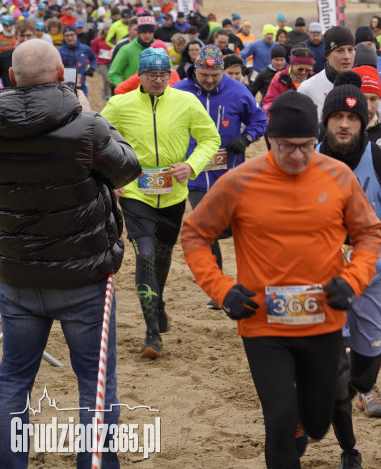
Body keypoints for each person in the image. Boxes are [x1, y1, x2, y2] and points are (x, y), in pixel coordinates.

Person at [180, 91, 381, 469]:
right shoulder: (239, 181)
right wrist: (222, 290)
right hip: (262, 322)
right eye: (287, 146)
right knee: (277, 420)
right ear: (269, 140)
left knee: (318, 421)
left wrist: (353, 281)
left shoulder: (338, 175)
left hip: (323, 318)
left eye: (306, 145)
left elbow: (369, 234)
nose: (298, 155)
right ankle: (287, 426)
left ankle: (303, 421)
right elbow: (194, 235)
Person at [0, 40, 141, 469]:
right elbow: (127, 169)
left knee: (13, 380)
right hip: (84, 277)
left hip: (17, 275)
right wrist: (93, 116)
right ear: (63, 75)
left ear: (11, 78)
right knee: (95, 385)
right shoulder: (87, 125)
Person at [101, 47, 221, 358]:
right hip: (136, 193)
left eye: (163, 74)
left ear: (170, 75)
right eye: (152, 74)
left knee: (163, 257)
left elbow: (211, 139)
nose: (158, 79)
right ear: (140, 76)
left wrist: (191, 166)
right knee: (145, 255)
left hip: (173, 194)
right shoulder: (120, 104)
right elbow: (97, 140)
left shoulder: (186, 102)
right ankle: (152, 333)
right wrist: (112, 177)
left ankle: (158, 302)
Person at [320, 78, 381, 467]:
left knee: (365, 362)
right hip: (324, 278)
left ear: (364, 122)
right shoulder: (309, 158)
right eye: (337, 117)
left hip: (374, 273)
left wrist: (371, 231)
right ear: (326, 121)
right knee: (334, 367)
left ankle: (362, 388)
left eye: (353, 118)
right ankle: (346, 444)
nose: (344, 124)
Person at [173, 45, 267, 307]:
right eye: (204, 75)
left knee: (240, 227)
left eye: (215, 75)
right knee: (207, 230)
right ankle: (219, 289)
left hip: (231, 175)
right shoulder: (179, 91)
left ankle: (251, 280)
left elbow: (260, 120)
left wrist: (245, 139)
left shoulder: (238, 90)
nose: (210, 80)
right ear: (195, 70)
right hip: (195, 175)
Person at [298, 25, 358, 119]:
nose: (347, 56)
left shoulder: (368, 84)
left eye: (350, 50)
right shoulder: (307, 88)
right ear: (327, 55)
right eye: (339, 50)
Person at [261, 46, 315, 116]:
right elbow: (267, 105)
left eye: (308, 70)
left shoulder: (315, 80)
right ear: (292, 65)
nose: (303, 72)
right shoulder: (280, 79)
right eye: (300, 69)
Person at [109, 14, 159, 87]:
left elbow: (169, 72)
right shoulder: (126, 49)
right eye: (144, 32)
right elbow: (113, 74)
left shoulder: (160, 48)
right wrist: (125, 88)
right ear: (139, 32)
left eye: (150, 32)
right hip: (133, 92)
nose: (147, 35)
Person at [58, 25, 97, 96]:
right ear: (63, 37)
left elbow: (93, 58)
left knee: (82, 102)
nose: (70, 38)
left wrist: (91, 68)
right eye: (67, 35)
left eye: (72, 35)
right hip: (65, 87)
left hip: (81, 86)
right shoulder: (59, 51)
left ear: (76, 35)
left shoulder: (85, 49)